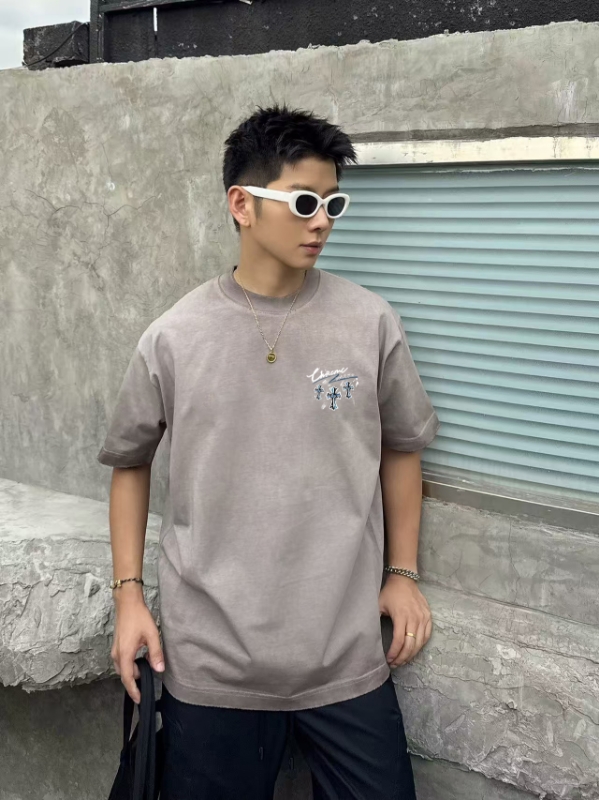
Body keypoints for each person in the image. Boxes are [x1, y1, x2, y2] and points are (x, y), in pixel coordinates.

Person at [97, 105, 440, 799]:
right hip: (212, 665)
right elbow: (130, 462)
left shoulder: (369, 322)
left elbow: (401, 448)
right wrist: (128, 597)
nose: (323, 222)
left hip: (344, 658)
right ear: (242, 205)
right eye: (305, 202)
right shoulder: (175, 336)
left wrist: (402, 572)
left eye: (333, 204)